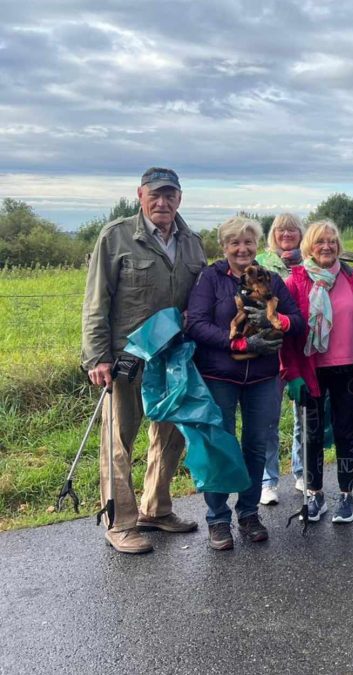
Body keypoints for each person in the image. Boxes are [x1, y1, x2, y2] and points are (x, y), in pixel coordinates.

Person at [81, 167, 207, 554]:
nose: (162, 202)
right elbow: (96, 301)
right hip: (126, 359)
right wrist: (97, 356)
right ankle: (120, 522)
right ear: (140, 195)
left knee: (169, 436)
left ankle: (156, 508)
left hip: (173, 359)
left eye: (170, 195)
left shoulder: (193, 242)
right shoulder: (116, 236)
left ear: (180, 199)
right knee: (119, 442)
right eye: (155, 195)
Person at [185, 217, 302, 550]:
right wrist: (238, 343)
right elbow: (196, 324)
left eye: (249, 243)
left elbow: (297, 321)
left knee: (255, 444)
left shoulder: (272, 279)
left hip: (264, 377)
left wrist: (276, 321)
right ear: (224, 246)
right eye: (235, 243)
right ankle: (218, 518)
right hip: (219, 374)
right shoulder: (210, 278)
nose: (242, 249)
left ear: (257, 246)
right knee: (220, 445)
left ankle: (249, 513)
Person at [279, 220, 353, 525]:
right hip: (310, 370)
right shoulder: (295, 282)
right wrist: (290, 373)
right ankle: (315, 494)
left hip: (348, 368)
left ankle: (346, 497)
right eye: (320, 241)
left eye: (332, 242)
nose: (327, 247)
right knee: (311, 434)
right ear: (309, 246)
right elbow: (285, 335)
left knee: (346, 431)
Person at [254, 213, 309, 505]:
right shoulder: (261, 263)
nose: (286, 234)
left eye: (292, 229)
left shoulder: (310, 263)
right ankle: (268, 480)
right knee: (269, 419)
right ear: (272, 234)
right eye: (280, 229)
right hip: (271, 349)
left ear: (301, 234)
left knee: (303, 414)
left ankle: (302, 472)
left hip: (302, 346)